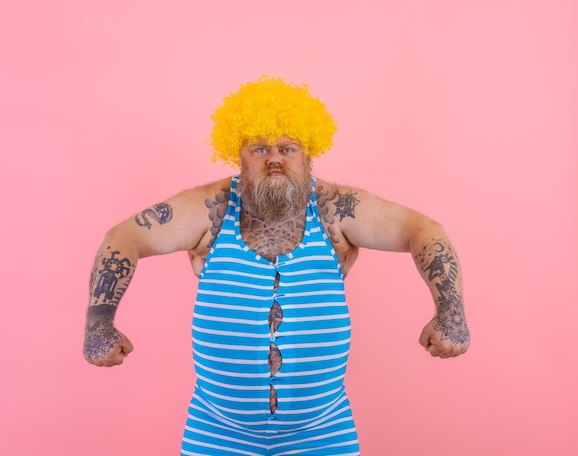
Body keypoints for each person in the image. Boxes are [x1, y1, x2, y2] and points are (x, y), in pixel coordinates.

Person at [83, 75, 470, 455]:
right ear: (238, 155)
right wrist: (99, 324)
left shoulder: (337, 210)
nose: (274, 159)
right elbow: (123, 238)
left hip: (323, 432)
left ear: (309, 154)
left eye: (288, 149)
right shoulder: (209, 209)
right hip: (217, 432)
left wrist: (450, 313)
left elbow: (423, 230)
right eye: (259, 148)